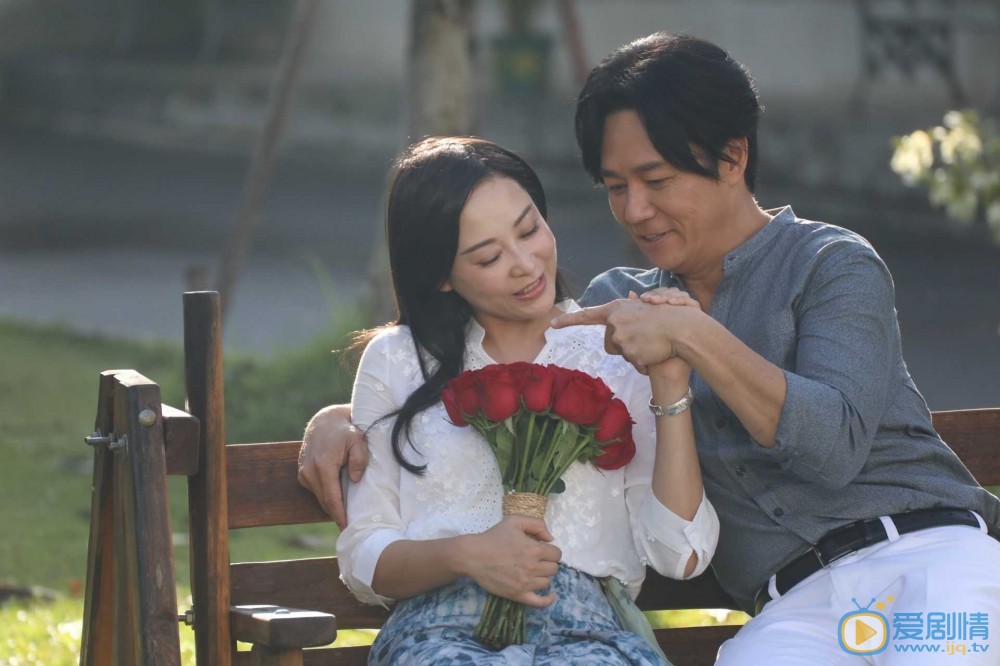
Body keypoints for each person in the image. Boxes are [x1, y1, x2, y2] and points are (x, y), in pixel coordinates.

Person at [301, 34, 1000, 663]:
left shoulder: (831, 264)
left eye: (657, 181)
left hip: (926, 554)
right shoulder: (618, 310)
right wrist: (342, 419)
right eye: (616, 187)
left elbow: (833, 446)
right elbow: (517, 358)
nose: (635, 210)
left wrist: (693, 335)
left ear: (733, 156)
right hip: (794, 609)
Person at [332, 135, 718, 665]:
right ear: (442, 277)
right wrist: (467, 555)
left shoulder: (617, 352)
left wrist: (670, 382)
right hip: (439, 631)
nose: (524, 264)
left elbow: (682, 555)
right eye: (489, 257)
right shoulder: (399, 360)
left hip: (589, 634)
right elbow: (362, 556)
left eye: (530, 229)